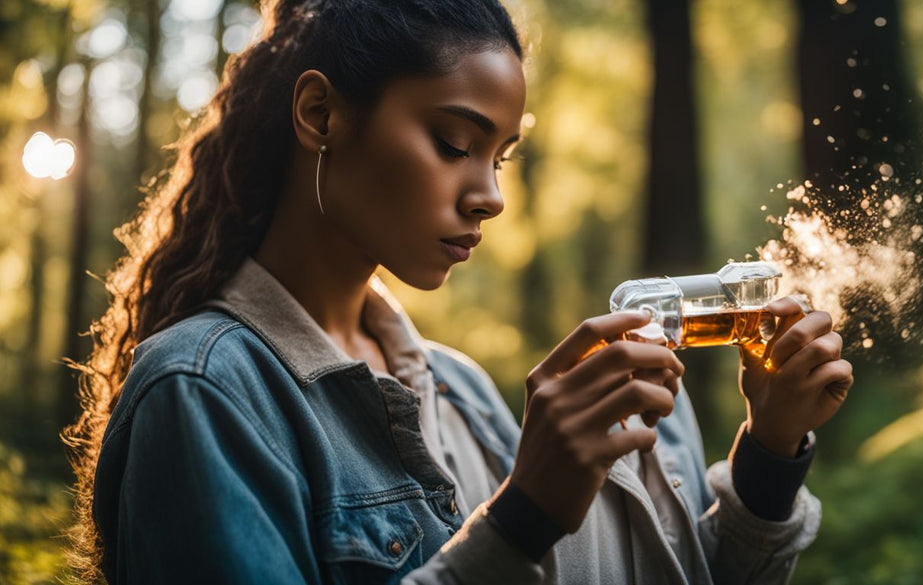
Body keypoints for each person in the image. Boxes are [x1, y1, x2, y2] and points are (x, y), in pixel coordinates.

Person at [64, 1, 854, 583]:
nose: (490, 195)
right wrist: (521, 519)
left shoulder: (461, 388)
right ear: (319, 114)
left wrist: (769, 453)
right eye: (454, 143)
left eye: (500, 156)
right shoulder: (203, 390)